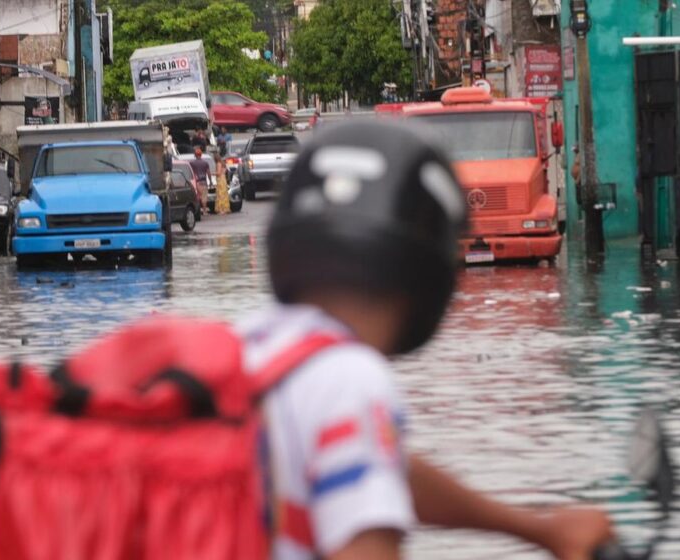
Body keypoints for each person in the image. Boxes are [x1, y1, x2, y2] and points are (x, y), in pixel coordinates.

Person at [237, 120, 613, 560]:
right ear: (426, 264)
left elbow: (379, 469)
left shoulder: (251, 348)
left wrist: (539, 529)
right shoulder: (348, 379)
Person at [189, 147, 212, 215]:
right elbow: (208, 173)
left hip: (197, 182)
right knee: (204, 197)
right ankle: (204, 211)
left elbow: (191, 172)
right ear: (201, 154)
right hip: (204, 182)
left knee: (198, 197)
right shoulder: (205, 163)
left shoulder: (192, 163)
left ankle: (198, 210)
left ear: (195, 155)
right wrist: (210, 181)